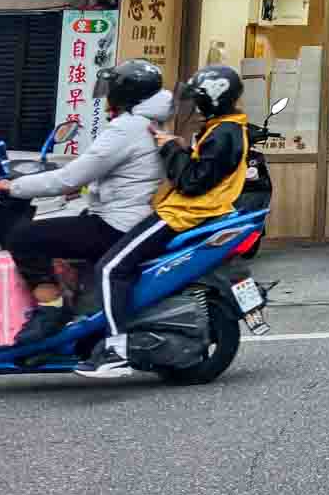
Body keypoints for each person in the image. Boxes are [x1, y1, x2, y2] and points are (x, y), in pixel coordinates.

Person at [75, 63, 252, 379]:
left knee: (112, 268)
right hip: (184, 210)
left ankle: (115, 349)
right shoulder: (222, 127)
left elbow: (192, 182)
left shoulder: (225, 132)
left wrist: (169, 146)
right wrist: (178, 145)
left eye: (197, 98)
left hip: (184, 214)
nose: (193, 105)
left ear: (211, 99)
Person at [0, 59, 171, 344]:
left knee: (23, 237)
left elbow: (69, 177)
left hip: (116, 223)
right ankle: (79, 308)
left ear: (124, 94)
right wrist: (81, 190)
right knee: (59, 229)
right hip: (124, 215)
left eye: (111, 88)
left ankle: (51, 310)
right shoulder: (145, 123)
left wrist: (14, 186)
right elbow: (117, 175)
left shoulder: (127, 128)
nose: (107, 94)